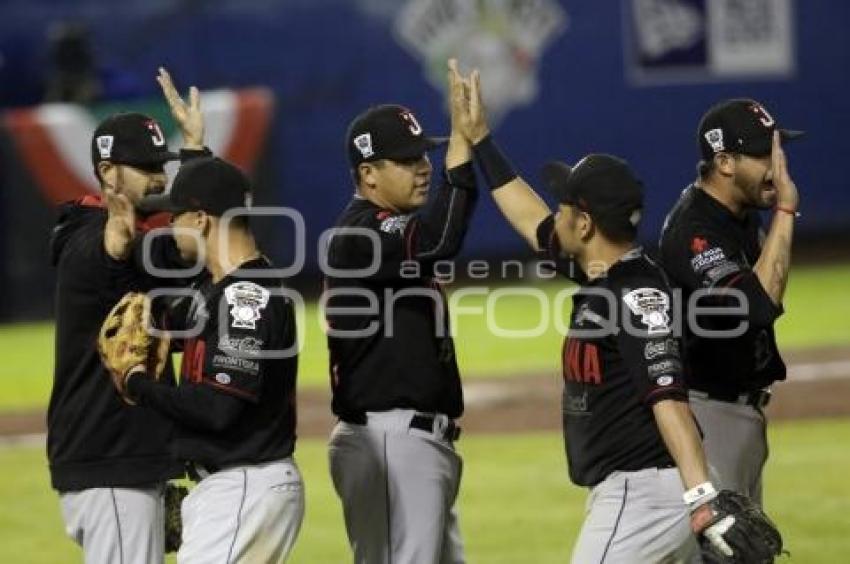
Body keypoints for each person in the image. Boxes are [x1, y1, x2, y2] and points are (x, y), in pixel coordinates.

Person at [453, 66, 779, 562]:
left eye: (563, 207)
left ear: (585, 225)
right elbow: (528, 218)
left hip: (643, 497)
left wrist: (700, 499)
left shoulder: (633, 296)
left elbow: (668, 399)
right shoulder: (610, 275)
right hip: (640, 492)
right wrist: (481, 143)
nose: (553, 217)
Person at [48, 68, 205, 563]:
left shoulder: (140, 239)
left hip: (126, 461)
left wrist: (196, 152)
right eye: (144, 166)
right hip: (110, 463)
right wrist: (114, 241)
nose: (160, 175)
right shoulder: (87, 237)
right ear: (108, 171)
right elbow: (100, 253)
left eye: (163, 163)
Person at [113, 156, 304, 562]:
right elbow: (181, 320)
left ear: (201, 219)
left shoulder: (244, 297)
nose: (169, 227)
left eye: (175, 216)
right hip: (236, 489)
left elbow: (218, 409)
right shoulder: (220, 287)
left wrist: (137, 384)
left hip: (243, 488)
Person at [325, 59, 478, 564]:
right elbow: (438, 237)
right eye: (407, 159)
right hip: (389, 441)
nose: (424, 166)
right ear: (368, 173)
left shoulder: (384, 233)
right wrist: (461, 145)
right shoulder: (361, 233)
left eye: (425, 155)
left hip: (412, 443)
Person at [659, 99, 803, 504]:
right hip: (709, 415)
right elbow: (756, 306)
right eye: (763, 155)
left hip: (737, 411)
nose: (777, 166)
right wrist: (787, 211)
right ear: (724, 162)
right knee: (725, 547)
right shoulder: (695, 230)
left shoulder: (739, 214)